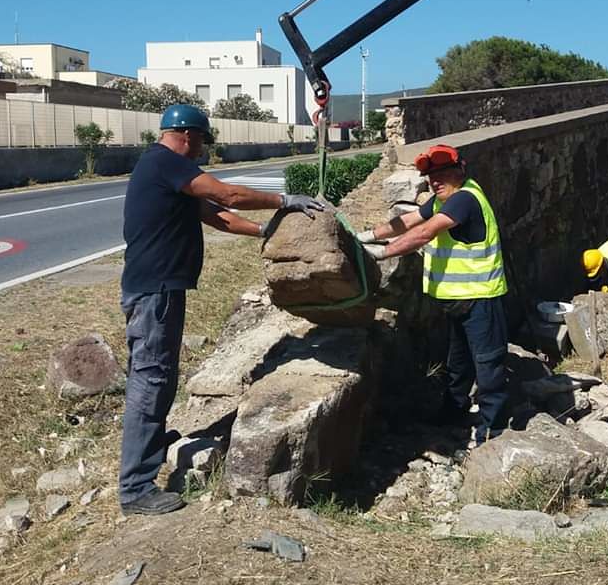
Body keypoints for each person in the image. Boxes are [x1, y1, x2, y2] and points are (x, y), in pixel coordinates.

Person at [119, 104, 323, 516]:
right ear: (189, 136)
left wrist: (266, 230)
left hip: (159, 289)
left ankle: (151, 443)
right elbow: (225, 195)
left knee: (160, 373)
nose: (201, 152)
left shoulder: (163, 170)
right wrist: (282, 200)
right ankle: (136, 487)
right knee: (151, 378)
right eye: (201, 144)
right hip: (155, 290)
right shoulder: (165, 162)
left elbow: (216, 216)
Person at [356, 144, 510, 446]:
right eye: (429, 176)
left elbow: (426, 233)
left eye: (441, 174)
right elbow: (409, 221)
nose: (434, 181)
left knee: (487, 362)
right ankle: (454, 411)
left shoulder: (464, 199)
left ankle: (493, 431)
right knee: (459, 360)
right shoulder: (443, 200)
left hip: (480, 296)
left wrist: (383, 253)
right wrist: (368, 235)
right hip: (458, 300)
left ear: (460, 171)